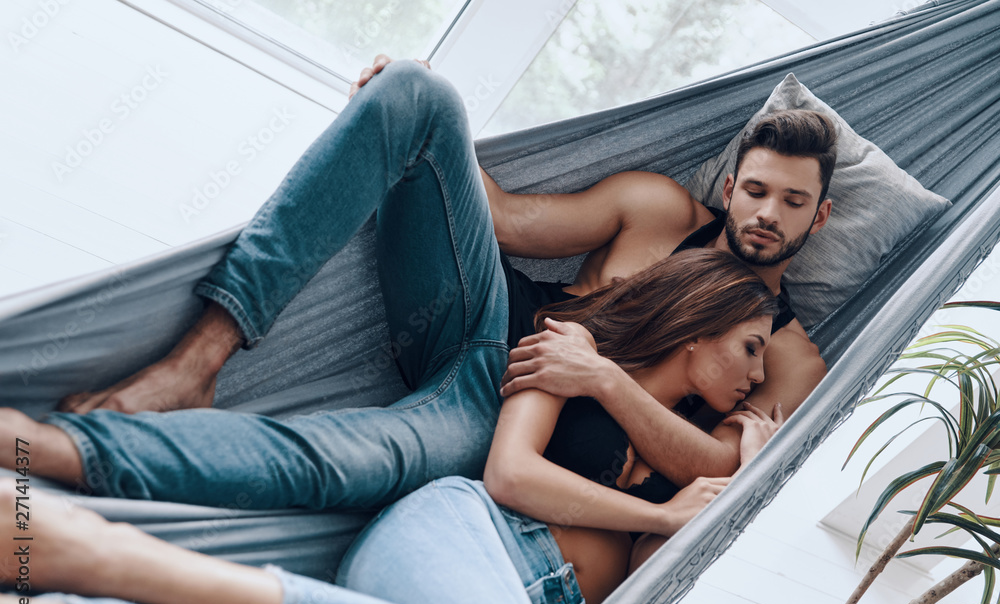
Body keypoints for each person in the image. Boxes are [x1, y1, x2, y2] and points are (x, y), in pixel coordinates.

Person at [0, 55, 833, 511]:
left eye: (792, 202)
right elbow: (499, 217)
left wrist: (603, 380)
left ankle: (76, 454)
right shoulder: (654, 209)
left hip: (494, 425)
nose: (766, 213)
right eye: (755, 190)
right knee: (418, 92)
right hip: (474, 322)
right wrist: (396, 127)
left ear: (819, 218)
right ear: (730, 187)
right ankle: (200, 358)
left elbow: (718, 464)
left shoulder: (791, 360)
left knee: (343, 465)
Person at [1, 249, 782, 604]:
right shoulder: (572, 349)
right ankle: (103, 552)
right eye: (750, 348)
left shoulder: (693, 457)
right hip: (459, 539)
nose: (755, 376)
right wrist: (658, 506)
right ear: (697, 321)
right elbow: (509, 476)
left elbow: (663, 558)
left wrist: (746, 472)